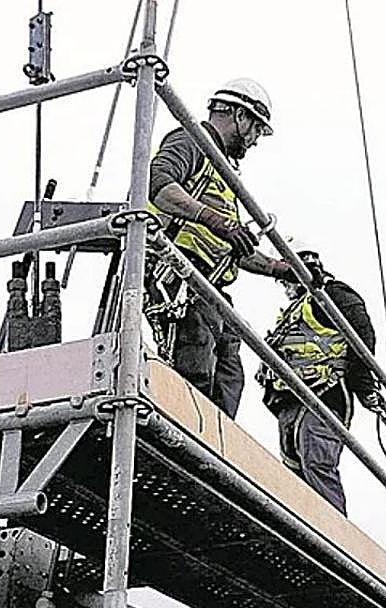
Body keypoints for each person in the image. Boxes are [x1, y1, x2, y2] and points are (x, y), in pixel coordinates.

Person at [146, 77, 286, 418]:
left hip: (209, 284)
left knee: (228, 374)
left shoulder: (222, 172)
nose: (254, 141)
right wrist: (216, 220)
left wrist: (278, 268)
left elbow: (230, 245)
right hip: (178, 273)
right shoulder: (193, 141)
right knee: (196, 363)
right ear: (239, 115)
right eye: (255, 128)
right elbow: (158, 184)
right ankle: (187, 433)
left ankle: (214, 445)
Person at [259, 243, 386, 514]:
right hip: (290, 399)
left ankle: (333, 534)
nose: (284, 286)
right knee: (294, 473)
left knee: (317, 464)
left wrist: (365, 388)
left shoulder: (331, 295)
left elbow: (361, 338)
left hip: (325, 393)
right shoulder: (299, 307)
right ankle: (303, 532)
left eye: (286, 277)